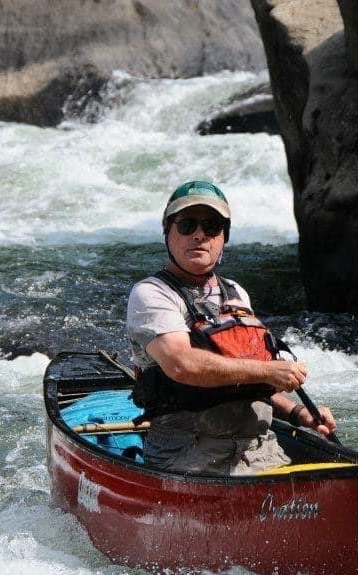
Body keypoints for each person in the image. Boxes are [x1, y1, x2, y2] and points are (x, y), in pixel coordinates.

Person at [126, 179, 336, 475]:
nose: (199, 234)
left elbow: (244, 379)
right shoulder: (151, 293)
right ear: (168, 232)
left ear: (223, 237)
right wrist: (269, 371)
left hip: (260, 450)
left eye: (211, 226)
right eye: (187, 224)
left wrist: (299, 413)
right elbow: (181, 364)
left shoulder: (236, 292)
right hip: (189, 454)